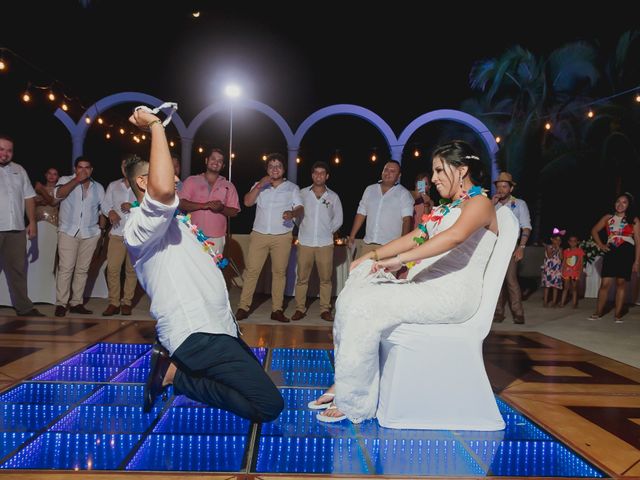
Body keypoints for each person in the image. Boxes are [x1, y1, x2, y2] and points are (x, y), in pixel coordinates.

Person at [311, 140, 499, 423]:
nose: (432, 179)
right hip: (426, 286)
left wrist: (400, 260)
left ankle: (355, 399)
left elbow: (454, 237)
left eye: (438, 170)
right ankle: (347, 380)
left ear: (462, 170)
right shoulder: (447, 207)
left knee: (367, 306)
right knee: (355, 293)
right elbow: (415, 236)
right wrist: (372, 255)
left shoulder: (480, 202)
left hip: (452, 294)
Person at [123, 107, 283, 421]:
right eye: (171, 171)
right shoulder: (139, 226)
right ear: (144, 182)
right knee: (268, 406)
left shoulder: (179, 222)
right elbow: (164, 190)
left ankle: (178, 369)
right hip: (197, 333)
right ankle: (175, 376)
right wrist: (156, 125)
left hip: (218, 329)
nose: (178, 179)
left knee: (254, 388)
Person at [235, 153, 303, 323]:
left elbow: (300, 208)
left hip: (282, 236)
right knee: (252, 271)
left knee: (279, 273)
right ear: (267, 169)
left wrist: (292, 213)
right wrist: (259, 186)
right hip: (259, 234)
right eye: (271, 166)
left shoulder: (292, 188)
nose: (275, 169)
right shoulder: (260, 186)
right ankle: (243, 307)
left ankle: (277, 310)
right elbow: (247, 202)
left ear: (283, 169)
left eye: (278, 166)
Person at [291, 161, 343, 322]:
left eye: (322, 173)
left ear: (327, 176)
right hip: (305, 241)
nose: (319, 175)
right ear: (312, 175)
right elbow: (296, 218)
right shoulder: (302, 193)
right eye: (316, 172)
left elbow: (338, 219)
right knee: (302, 278)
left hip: (325, 243)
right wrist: (304, 229)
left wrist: (327, 231)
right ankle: (300, 308)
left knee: (326, 279)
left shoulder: (333, 196)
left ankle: (325, 309)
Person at [53, 156, 106, 317]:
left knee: (82, 270)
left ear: (91, 170)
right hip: (68, 231)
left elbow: (103, 209)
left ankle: (76, 302)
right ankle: (61, 303)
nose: (83, 170)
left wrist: (101, 230)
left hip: (90, 233)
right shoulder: (65, 180)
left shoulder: (98, 187)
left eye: (87, 167)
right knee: (66, 268)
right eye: (80, 167)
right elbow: (58, 195)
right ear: (75, 169)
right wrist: (76, 180)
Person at [0, 134, 44, 317]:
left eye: (9, 150)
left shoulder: (19, 170)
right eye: (1, 149)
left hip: (16, 229)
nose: (5, 153)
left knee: (18, 270)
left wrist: (32, 221)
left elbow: (28, 197)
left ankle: (24, 308)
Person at [589, 193, 640, 323]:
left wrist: (637, 261)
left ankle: (617, 315)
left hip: (626, 252)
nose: (620, 204)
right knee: (605, 283)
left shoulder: (633, 220)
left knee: (621, 283)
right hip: (612, 251)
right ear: (614, 203)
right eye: (618, 201)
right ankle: (598, 312)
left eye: (624, 202)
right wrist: (601, 245)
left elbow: (638, 241)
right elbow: (594, 230)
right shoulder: (608, 217)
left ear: (628, 205)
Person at [178, 147, 240, 253]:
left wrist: (221, 208)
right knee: (192, 268)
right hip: (193, 234)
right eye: (213, 159)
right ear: (206, 160)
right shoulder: (192, 180)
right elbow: (180, 203)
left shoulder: (228, 185)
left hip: (216, 237)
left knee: (213, 269)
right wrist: (204, 205)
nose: (216, 162)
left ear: (223, 165)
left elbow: (234, 211)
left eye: (220, 161)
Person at [348, 161, 414, 258]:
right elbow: (361, 213)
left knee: (386, 274)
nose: (388, 173)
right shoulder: (370, 190)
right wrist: (352, 235)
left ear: (399, 175)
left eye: (392, 171)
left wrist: (402, 245)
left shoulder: (403, 194)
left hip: (390, 247)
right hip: (368, 244)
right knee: (363, 272)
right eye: (386, 170)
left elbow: (407, 220)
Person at [492, 172, 531, 324]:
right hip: (493, 246)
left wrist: (521, 247)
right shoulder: (491, 204)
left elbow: (526, 227)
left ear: (511, 188)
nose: (501, 189)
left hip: (510, 246)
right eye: (499, 186)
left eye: (504, 186)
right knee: (495, 280)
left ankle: (518, 312)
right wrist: (491, 204)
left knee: (511, 279)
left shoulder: (519, 204)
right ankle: (497, 312)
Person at [101, 157, 138, 316]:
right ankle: (114, 302)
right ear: (122, 168)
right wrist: (110, 212)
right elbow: (104, 204)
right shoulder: (113, 185)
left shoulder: (142, 186)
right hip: (116, 233)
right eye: (125, 165)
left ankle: (127, 302)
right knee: (113, 269)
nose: (127, 168)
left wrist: (134, 206)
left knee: (132, 270)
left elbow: (149, 207)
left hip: (136, 235)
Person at [561, 234, 585, 308]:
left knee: (574, 288)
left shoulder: (580, 251)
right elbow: (564, 261)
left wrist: (580, 272)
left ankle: (574, 304)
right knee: (565, 288)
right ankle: (562, 303)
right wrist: (562, 270)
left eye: (574, 241)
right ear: (568, 242)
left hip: (575, 272)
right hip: (567, 272)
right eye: (571, 241)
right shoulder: (566, 251)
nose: (572, 243)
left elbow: (581, 262)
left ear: (577, 242)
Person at [541, 229, 563, 307]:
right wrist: (556, 249)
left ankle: (554, 302)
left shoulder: (560, 249)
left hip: (557, 270)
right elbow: (550, 255)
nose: (558, 241)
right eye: (556, 239)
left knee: (555, 287)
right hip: (549, 270)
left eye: (559, 240)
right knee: (547, 286)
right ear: (552, 239)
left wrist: (559, 250)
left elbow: (561, 258)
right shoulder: (548, 247)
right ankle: (545, 302)